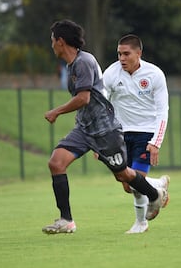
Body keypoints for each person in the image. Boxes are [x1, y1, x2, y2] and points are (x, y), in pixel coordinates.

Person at [42, 19, 169, 234]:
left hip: (107, 130)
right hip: (86, 128)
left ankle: (153, 196)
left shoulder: (84, 62)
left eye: (52, 40)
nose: (121, 58)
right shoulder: (84, 67)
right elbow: (102, 95)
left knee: (125, 179)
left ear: (61, 42)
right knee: (56, 163)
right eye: (119, 54)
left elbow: (83, 98)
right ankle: (66, 220)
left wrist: (56, 111)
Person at [103, 34, 170, 233]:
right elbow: (101, 105)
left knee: (136, 180)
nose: (122, 58)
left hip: (146, 133)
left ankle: (141, 223)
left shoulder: (155, 74)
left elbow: (162, 110)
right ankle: (158, 185)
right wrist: (101, 139)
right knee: (126, 183)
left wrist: (156, 141)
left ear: (138, 53)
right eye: (119, 54)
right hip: (120, 133)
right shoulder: (111, 74)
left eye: (126, 54)